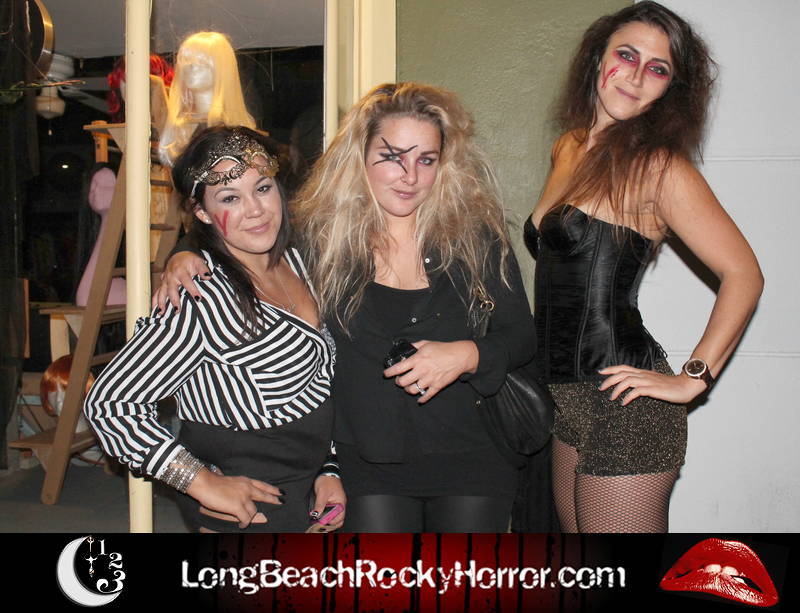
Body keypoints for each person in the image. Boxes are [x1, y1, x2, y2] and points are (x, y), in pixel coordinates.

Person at [157, 83, 536, 532]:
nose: (409, 176)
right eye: (392, 156)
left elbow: (521, 336)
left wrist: (467, 355)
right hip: (367, 462)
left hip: (473, 453)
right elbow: (242, 226)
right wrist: (186, 252)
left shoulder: (476, 238)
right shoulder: (319, 237)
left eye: (426, 160)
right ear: (360, 156)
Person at [527, 1, 763, 533]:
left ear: (669, 89)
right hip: (566, 401)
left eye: (657, 69)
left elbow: (744, 275)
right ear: (598, 58)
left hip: (627, 405)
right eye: (626, 56)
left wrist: (693, 379)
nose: (635, 77)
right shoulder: (568, 148)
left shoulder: (658, 167)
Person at [84, 126, 344, 532]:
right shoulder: (198, 296)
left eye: (262, 188)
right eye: (229, 198)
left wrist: (329, 467)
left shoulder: (299, 263)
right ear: (202, 212)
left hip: (310, 487)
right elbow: (111, 404)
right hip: (249, 502)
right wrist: (201, 483)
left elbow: (320, 384)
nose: (255, 210)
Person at [158, 32, 256, 166]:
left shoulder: (230, 130)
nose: (191, 66)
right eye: (186, 61)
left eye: (202, 61)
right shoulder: (180, 127)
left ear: (221, 69)